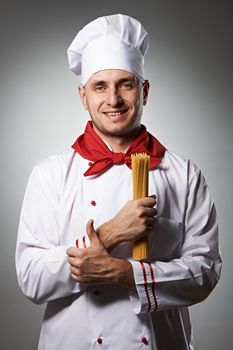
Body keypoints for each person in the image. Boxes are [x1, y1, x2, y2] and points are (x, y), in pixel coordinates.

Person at [15, 14, 221, 350]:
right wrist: (111, 232)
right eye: (100, 86)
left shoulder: (184, 174)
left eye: (125, 84)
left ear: (145, 91)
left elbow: (205, 271)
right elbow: (32, 280)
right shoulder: (49, 175)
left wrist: (123, 274)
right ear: (83, 96)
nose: (113, 99)